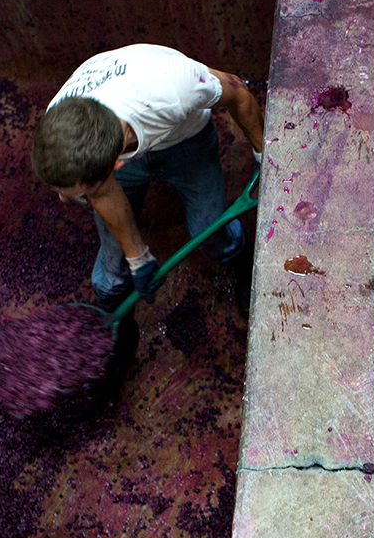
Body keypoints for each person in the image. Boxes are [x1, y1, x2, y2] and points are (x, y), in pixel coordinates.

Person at [30, 44, 265, 328]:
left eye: (77, 195)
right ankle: (120, 333)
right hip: (122, 148)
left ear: (116, 165)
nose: (62, 200)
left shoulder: (174, 85)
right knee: (110, 275)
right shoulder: (59, 123)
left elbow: (238, 92)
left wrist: (264, 156)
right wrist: (137, 257)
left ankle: (244, 262)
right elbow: (102, 191)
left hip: (185, 140)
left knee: (210, 235)